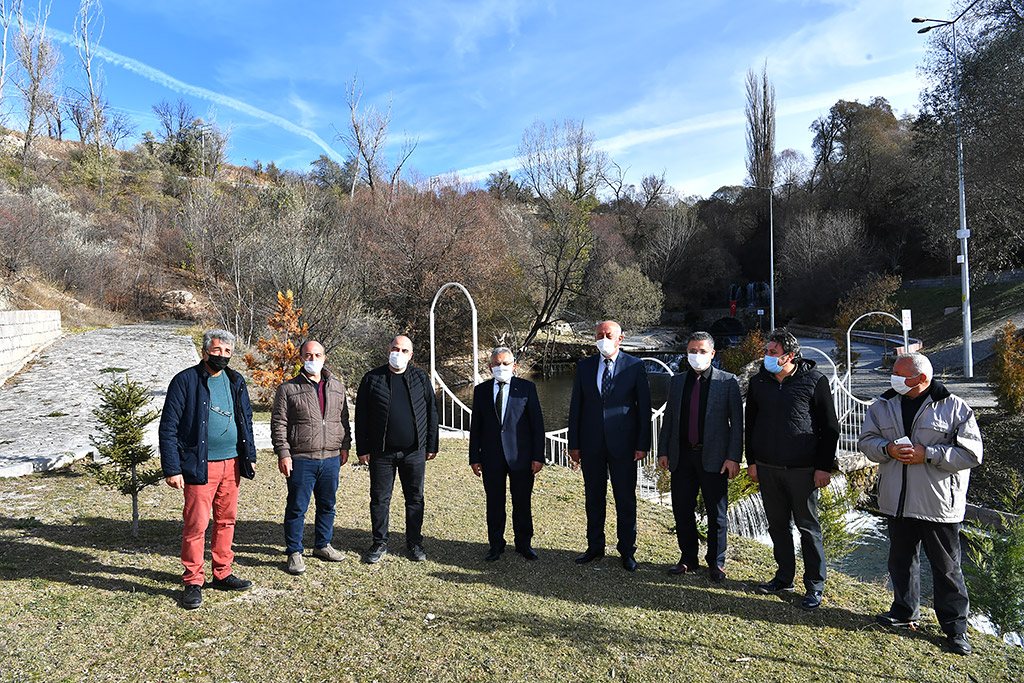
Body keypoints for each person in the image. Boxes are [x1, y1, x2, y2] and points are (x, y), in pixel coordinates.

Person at [858, 352, 982, 656]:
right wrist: (887, 448)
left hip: (937, 504)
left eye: (900, 375)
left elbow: (972, 454)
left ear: (922, 379)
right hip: (896, 501)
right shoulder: (883, 404)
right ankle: (903, 612)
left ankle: (955, 630)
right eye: (894, 373)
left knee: (947, 569)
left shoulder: (955, 408)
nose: (893, 378)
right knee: (900, 562)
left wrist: (928, 453)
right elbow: (865, 442)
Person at [159, 329, 257, 610]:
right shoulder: (185, 381)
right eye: (217, 351)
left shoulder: (236, 380)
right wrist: (172, 468)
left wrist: (248, 455)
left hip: (232, 464)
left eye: (227, 352)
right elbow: (168, 427)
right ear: (204, 352)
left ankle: (222, 572)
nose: (222, 356)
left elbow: (246, 420)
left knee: (226, 521)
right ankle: (193, 580)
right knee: (196, 524)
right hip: (199, 465)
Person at [746, 328, 839, 610]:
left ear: (789, 356)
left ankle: (814, 586)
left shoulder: (814, 381)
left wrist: (824, 467)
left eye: (772, 352)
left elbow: (830, 428)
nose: (766, 356)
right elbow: (751, 424)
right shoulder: (759, 382)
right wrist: (752, 461)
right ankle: (784, 576)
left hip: (803, 470)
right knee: (777, 526)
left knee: (808, 528)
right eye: (765, 352)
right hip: (768, 468)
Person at [657, 331, 743, 582]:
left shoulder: (727, 382)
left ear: (712, 354)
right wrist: (663, 450)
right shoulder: (677, 381)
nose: (697, 355)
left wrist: (733, 457)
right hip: (681, 456)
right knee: (682, 510)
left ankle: (716, 562)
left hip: (715, 458)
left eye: (702, 351)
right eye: (692, 351)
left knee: (717, 513)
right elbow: (669, 419)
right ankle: (688, 558)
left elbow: (737, 424)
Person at [568, 320, 652, 571]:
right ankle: (594, 547)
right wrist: (574, 443)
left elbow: (643, 409)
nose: (603, 338)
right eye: (599, 335)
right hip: (591, 443)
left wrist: (642, 444)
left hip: (624, 445)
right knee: (593, 498)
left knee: (625, 499)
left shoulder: (635, 366)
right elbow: (576, 408)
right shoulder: (584, 367)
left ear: (620, 338)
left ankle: (627, 551)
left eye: (608, 335)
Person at [355, 335, 439, 564]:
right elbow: (361, 416)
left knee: (415, 498)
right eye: (395, 349)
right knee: (380, 499)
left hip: (414, 451)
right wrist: (362, 448)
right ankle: (379, 542)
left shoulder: (421, 378)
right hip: (381, 452)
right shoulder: (372, 378)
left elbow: (432, 412)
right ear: (388, 350)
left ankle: (414, 542)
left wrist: (432, 445)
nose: (398, 354)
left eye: (404, 351)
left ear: (410, 355)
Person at [271, 340, 351, 575]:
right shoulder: (288, 389)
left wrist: (345, 445)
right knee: (297, 507)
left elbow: (343, 419)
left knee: (327, 505)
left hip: (331, 458)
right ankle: (294, 551)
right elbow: (279, 424)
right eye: (308, 355)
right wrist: (283, 453)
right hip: (301, 457)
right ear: (300, 359)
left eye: (317, 355)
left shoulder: (337, 386)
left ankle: (322, 545)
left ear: (324, 358)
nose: (313, 360)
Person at [468, 347, 545, 562]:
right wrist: (474, 457)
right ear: (490, 366)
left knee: (522, 502)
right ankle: (495, 544)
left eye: (505, 363)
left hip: (521, 456)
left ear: (514, 366)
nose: (501, 367)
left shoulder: (527, 388)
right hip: (491, 457)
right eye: (497, 364)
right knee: (494, 502)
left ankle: (524, 544)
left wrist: (538, 456)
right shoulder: (481, 390)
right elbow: (476, 427)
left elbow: (537, 425)